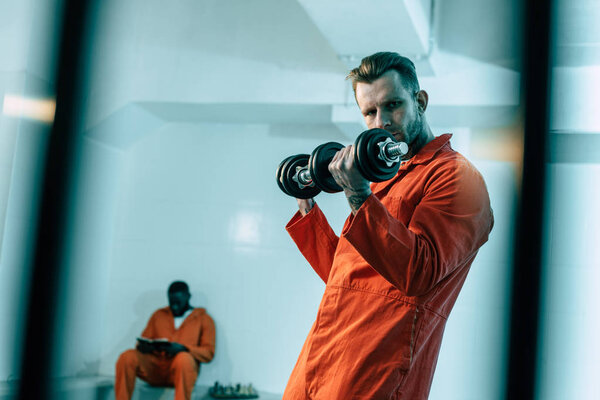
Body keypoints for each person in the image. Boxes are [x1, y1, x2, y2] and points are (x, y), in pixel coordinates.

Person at [283, 52, 494, 399]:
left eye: (392, 105)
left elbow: (418, 272)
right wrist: (307, 205)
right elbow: (348, 275)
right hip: (320, 355)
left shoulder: (457, 178)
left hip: (375, 370)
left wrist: (359, 196)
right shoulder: (382, 179)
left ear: (420, 101)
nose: (381, 121)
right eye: (369, 112)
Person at [115, 281, 215, 400]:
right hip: (155, 370)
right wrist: (145, 347)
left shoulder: (204, 319)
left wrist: (184, 348)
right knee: (126, 356)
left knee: (184, 358)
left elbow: (208, 353)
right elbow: (143, 341)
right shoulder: (158, 315)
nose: (174, 306)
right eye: (171, 302)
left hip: (180, 372)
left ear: (188, 297)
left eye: (178, 302)